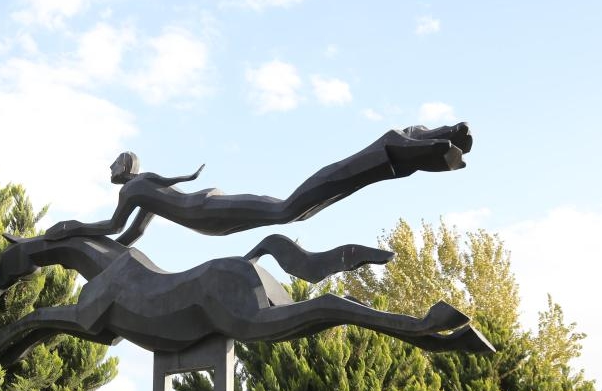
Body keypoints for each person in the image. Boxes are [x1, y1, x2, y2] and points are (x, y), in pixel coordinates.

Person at [44, 123, 472, 246]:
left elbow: (114, 230)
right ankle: (406, 152)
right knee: (293, 210)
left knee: (289, 210)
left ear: (122, 170)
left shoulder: (131, 191)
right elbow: (133, 236)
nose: (111, 171)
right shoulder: (146, 184)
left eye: (113, 166)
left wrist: (67, 231)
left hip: (206, 213)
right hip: (207, 205)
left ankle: (389, 147)